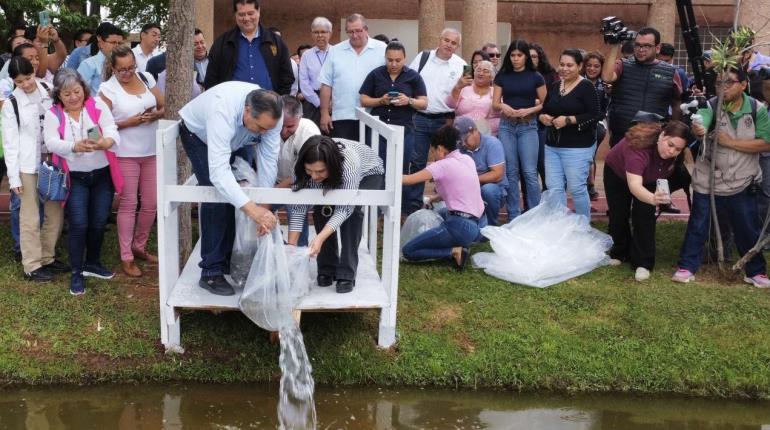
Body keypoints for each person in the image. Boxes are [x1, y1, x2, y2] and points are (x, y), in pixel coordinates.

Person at [179, 82, 282, 296]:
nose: (264, 133)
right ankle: (210, 271)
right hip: (199, 136)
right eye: (261, 128)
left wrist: (264, 205)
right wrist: (254, 212)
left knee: (237, 194)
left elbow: (269, 159)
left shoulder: (271, 118)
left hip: (235, 139)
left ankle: (227, 259)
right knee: (217, 195)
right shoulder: (222, 109)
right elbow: (218, 173)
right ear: (247, 111)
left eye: (268, 129)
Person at [673, 67, 770, 288]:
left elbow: (766, 142)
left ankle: (755, 270)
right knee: (698, 223)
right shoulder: (711, 105)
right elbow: (702, 123)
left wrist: (730, 142)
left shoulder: (758, 109)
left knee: (747, 226)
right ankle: (687, 265)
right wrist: (700, 128)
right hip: (709, 178)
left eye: (729, 83)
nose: (722, 87)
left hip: (743, 179)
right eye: (719, 83)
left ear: (744, 85)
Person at [43, 68, 123, 296]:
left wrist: (105, 142)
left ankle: (93, 263)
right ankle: (76, 272)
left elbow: (112, 130)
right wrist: (73, 146)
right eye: (67, 94)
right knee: (79, 224)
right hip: (75, 178)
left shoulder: (97, 105)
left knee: (99, 221)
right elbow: (50, 142)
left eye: (76, 91)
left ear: (83, 89)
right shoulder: (53, 114)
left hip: (101, 175)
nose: (73, 97)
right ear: (58, 95)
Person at [98, 45, 165, 277]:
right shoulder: (107, 89)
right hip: (125, 152)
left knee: (151, 202)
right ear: (113, 68)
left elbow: (163, 104)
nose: (127, 73)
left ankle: (140, 245)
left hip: (151, 149)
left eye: (131, 68)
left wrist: (156, 114)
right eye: (122, 70)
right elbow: (100, 125)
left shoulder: (146, 77)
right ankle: (126, 255)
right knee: (128, 203)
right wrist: (129, 122)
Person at [288, 135, 385, 294]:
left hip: (368, 173)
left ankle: (347, 272)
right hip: (337, 174)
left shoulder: (349, 165)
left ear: (330, 165)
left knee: (351, 215)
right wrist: (291, 248)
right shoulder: (299, 167)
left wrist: (320, 238)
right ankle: (327, 268)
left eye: (320, 171)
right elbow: (299, 207)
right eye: (309, 171)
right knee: (322, 210)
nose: (314, 176)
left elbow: (345, 209)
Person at [1, 56, 66, 282]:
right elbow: (10, 144)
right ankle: (32, 265)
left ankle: (48, 257)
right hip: (27, 166)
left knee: (55, 212)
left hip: (54, 161)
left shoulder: (49, 89)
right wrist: (13, 178)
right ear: (13, 81)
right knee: (30, 216)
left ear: (34, 71)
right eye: (20, 82)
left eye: (28, 78)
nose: (26, 84)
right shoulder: (11, 104)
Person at [604, 118, 689, 281]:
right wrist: (653, 198)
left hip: (650, 176)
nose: (672, 152)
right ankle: (620, 251)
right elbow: (635, 186)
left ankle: (643, 263)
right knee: (618, 212)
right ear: (662, 135)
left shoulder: (675, 155)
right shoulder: (637, 148)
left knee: (645, 216)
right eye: (670, 145)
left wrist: (655, 198)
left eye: (678, 149)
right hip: (617, 172)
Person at [402, 124, 485, 269]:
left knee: (408, 251)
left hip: (459, 226)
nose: (433, 156)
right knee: (437, 212)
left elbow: (408, 179)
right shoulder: (467, 159)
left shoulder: (441, 165)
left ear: (440, 149)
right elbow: (459, 186)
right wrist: (435, 198)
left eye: (433, 151)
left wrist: (386, 172)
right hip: (476, 224)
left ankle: (454, 251)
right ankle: (458, 242)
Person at [404, 27, 466, 214]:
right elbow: (409, 81)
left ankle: (448, 206)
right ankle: (413, 209)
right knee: (417, 162)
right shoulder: (423, 58)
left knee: (449, 164)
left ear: (457, 46)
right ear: (440, 39)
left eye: (453, 43)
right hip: (420, 118)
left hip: (445, 121)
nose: (449, 45)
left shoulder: (460, 65)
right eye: (446, 40)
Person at [538, 49, 602, 220]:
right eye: (562, 64)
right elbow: (545, 109)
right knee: (554, 187)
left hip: (578, 147)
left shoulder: (586, 87)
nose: (564, 69)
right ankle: (562, 226)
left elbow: (595, 114)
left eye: (570, 65)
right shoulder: (554, 86)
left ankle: (583, 228)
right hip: (552, 146)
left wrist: (570, 120)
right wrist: (543, 117)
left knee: (576, 188)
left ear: (580, 66)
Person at [601, 26, 683, 147]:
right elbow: (607, 77)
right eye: (638, 45)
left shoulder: (671, 72)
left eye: (647, 46)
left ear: (658, 48)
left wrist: (674, 131)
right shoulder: (623, 64)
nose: (641, 49)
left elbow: (677, 103)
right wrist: (615, 46)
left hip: (654, 137)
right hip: (622, 135)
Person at [492, 39, 546, 221]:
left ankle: (535, 214)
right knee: (511, 172)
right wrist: (503, 106)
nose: (515, 59)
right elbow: (495, 102)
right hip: (506, 126)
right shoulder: (502, 75)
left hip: (528, 126)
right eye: (513, 55)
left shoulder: (536, 76)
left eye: (519, 55)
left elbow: (546, 103)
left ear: (525, 57)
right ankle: (514, 215)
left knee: (530, 172)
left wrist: (529, 110)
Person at [359, 40, 427, 175]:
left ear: (405, 58)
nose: (394, 64)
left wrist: (408, 101)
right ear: (385, 58)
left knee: (400, 169)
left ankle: (399, 196)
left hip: (404, 131)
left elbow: (424, 103)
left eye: (398, 60)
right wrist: (381, 101)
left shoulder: (413, 76)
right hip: (378, 130)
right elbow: (363, 100)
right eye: (390, 60)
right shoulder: (375, 74)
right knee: (375, 168)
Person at [319, 13, 386, 140]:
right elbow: (326, 84)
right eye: (350, 32)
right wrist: (324, 113)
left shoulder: (381, 49)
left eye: (358, 31)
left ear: (366, 29)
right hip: (342, 116)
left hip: (374, 116)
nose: (354, 35)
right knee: (344, 157)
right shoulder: (335, 51)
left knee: (370, 158)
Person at [203, 0, 294, 94]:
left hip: (268, 104)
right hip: (233, 104)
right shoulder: (222, 43)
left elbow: (287, 76)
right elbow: (211, 78)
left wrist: (279, 100)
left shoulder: (275, 41)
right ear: (235, 15)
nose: (246, 18)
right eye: (241, 14)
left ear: (258, 11)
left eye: (250, 13)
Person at [275, 95, 319, 247]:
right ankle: (276, 249)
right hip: (273, 180)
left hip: (301, 183)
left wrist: (274, 191)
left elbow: (305, 172)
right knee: (263, 215)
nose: (284, 131)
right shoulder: (268, 124)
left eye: (290, 127)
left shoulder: (309, 131)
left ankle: (298, 256)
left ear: (300, 118)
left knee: (297, 213)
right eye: (280, 125)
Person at [454, 116, 507, 226]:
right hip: (469, 189)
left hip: (493, 189)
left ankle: (490, 225)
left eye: (465, 139)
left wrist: (470, 180)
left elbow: (498, 175)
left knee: (488, 190)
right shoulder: (459, 147)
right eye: (460, 140)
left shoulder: (492, 144)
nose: (463, 143)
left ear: (474, 131)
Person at [584, 50, 610, 201]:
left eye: (596, 66)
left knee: (590, 153)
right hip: (578, 122)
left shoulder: (605, 85)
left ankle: (591, 185)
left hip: (597, 124)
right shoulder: (579, 81)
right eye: (589, 65)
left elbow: (604, 109)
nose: (592, 69)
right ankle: (586, 185)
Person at [447, 60, 499, 135]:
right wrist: (457, 87)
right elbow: (449, 104)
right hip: (461, 133)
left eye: (485, 71)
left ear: (492, 76)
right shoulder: (464, 88)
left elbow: (500, 116)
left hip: (485, 135)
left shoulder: (495, 92)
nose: (481, 73)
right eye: (478, 70)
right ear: (474, 73)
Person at [298, 17, 332, 125]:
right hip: (312, 102)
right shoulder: (306, 55)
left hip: (334, 101)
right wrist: (321, 103)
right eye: (316, 32)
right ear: (311, 34)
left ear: (330, 33)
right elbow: (304, 83)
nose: (320, 35)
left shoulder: (337, 52)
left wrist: (332, 103)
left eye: (323, 32)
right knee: (313, 136)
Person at [77, 22, 124, 94]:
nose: (117, 46)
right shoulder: (88, 64)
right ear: (101, 43)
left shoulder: (124, 64)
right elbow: (79, 92)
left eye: (119, 43)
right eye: (113, 42)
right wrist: (93, 105)